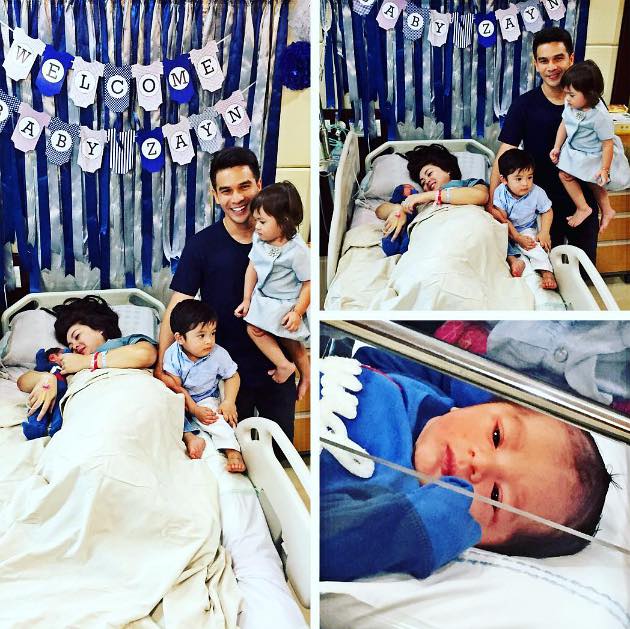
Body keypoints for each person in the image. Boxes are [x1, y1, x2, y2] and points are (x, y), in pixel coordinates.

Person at [320, 350, 611, 582]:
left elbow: (327, 542)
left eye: (496, 496)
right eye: (496, 436)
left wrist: (417, 529)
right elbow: (374, 355)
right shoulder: (433, 401)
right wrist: (472, 379)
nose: (479, 463)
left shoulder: (391, 500)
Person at [155, 147, 299, 449]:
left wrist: (303, 365)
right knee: (236, 455)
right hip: (225, 372)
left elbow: (295, 304)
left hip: (277, 365)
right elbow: (177, 308)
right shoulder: (201, 246)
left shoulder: (284, 241)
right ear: (215, 195)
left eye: (244, 187)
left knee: (281, 454)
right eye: (226, 191)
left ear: (259, 185)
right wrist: (161, 368)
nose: (237, 198)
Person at [489, 27, 600, 263]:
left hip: (583, 202)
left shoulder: (591, 102)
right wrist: (492, 204)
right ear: (536, 64)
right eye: (544, 60)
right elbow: (505, 153)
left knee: (584, 269)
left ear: (571, 58)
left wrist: (604, 204)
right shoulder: (524, 105)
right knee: (549, 270)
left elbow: (601, 151)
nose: (551, 67)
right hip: (540, 206)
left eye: (558, 58)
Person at [17, 296, 158, 421]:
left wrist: (87, 361)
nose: (75, 346)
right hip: (91, 410)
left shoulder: (124, 343)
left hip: (136, 399)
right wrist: (47, 378)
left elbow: (147, 354)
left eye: (77, 336)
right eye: (70, 346)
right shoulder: (70, 359)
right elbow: (22, 381)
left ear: (99, 327)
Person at [234, 182, 310, 396]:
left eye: (262, 221)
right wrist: (247, 299)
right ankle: (301, 372)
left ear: (284, 222)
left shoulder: (297, 251)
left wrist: (297, 312)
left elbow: (309, 284)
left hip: (286, 303)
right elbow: (252, 267)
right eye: (256, 220)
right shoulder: (259, 240)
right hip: (264, 297)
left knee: (284, 337)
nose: (256, 226)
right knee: (260, 328)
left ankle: (290, 368)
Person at [163, 299, 245, 471]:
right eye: (201, 335)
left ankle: (232, 452)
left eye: (212, 333)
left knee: (217, 420)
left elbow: (232, 376)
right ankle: (191, 437)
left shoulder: (218, 354)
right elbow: (176, 388)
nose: (209, 341)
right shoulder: (172, 355)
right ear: (180, 338)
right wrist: (193, 409)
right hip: (182, 398)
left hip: (205, 397)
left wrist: (229, 402)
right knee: (168, 413)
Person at [550, 60, 630, 231]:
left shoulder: (600, 116)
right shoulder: (571, 104)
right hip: (575, 150)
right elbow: (564, 124)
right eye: (566, 93)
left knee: (586, 179)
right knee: (571, 175)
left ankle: (584, 208)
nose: (567, 99)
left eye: (571, 95)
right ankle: (607, 210)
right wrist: (557, 147)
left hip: (594, 154)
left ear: (590, 94)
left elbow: (607, 144)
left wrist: (604, 169)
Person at [377, 144, 488, 254]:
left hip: (468, 231)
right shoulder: (419, 200)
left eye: (429, 173)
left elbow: (481, 196)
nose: (427, 181)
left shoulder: (468, 184)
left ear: (447, 169)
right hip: (433, 241)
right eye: (423, 183)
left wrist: (431, 195)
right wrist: (397, 209)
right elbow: (379, 210)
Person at [492, 149, 557, 289]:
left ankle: (546, 273)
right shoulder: (500, 193)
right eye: (519, 179)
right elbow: (502, 219)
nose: (525, 183)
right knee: (497, 240)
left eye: (530, 177)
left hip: (526, 228)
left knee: (535, 247)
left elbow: (547, 211)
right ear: (504, 179)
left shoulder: (537, 192)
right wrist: (516, 237)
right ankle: (514, 261)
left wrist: (544, 232)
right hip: (507, 229)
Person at [21, 347, 69, 440]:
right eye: (63, 354)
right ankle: (35, 428)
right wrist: (41, 355)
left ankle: (56, 429)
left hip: (60, 396)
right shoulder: (49, 366)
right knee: (38, 410)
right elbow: (40, 367)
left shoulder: (65, 369)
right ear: (52, 357)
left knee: (59, 412)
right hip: (45, 392)